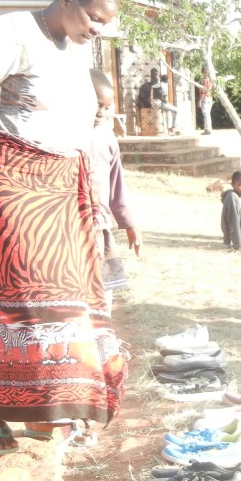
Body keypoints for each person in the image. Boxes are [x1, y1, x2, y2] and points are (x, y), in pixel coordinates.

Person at [0, 0, 128, 456]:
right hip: (8, 185)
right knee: (12, 298)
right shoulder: (12, 32)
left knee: (59, 301)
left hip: (61, 188)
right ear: (65, 0)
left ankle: (43, 409)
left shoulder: (77, 50)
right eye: (92, 17)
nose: (97, 29)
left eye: (104, 22)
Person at [89, 69, 142, 315]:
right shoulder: (61, 133)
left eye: (107, 107)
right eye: (96, 104)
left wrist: (129, 223)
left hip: (98, 224)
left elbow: (116, 185)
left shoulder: (107, 137)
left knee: (103, 289)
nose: (101, 112)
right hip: (67, 222)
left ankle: (103, 334)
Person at [136, 68, 180, 136]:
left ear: (151, 75)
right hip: (157, 104)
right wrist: (166, 102)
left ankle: (168, 128)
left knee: (167, 108)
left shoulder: (145, 85)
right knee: (176, 110)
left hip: (146, 105)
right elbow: (165, 100)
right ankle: (173, 127)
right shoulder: (163, 85)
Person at [198, 69, 213, 134]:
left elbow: (204, 91)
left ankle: (207, 129)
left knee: (206, 114)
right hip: (209, 98)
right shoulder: (210, 81)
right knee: (208, 114)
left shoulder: (204, 81)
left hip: (205, 98)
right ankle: (209, 128)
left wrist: (200, 100)